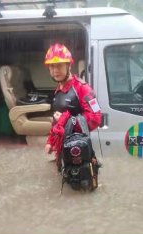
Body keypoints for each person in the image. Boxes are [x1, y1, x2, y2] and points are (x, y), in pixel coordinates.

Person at [44, 43, 102, 171]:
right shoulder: (58, 89)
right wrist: (50, 141)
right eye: (51, 67)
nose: (55, 70)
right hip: (63, 151)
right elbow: (56, 121)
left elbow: (96, 118)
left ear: (69, 65)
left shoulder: (83, 88)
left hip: (80, 150)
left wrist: (67, 120)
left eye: (59, 65)